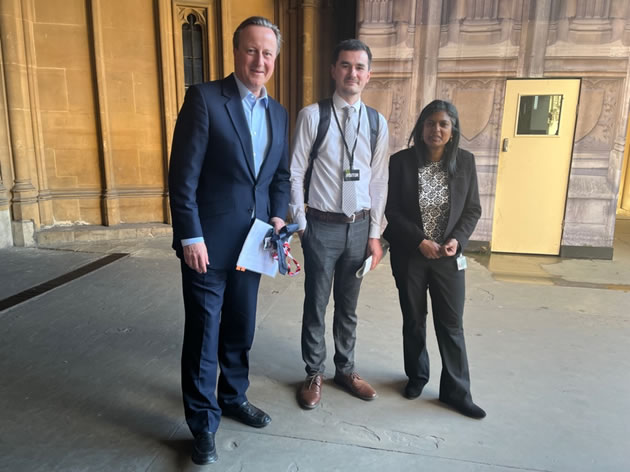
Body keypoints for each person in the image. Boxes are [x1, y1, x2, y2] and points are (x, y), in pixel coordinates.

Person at [168, 16, 290, 465]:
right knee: (205, 333)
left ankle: (233, 396)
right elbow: (183, 177)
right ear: (236, 52)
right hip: (207, 245)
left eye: (268, 54)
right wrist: (190, 236)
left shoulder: (278, 112)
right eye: (252, 50)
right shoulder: (204, 100)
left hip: (256, 243)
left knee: (241, 326)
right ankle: (202, 424)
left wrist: (278, 219)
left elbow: (279, 177)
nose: (260, 61)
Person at [289, 39, 389, 409]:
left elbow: (379, 181)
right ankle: (314, 372)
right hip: (321, 226)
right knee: (316, 303)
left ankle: (345, 369)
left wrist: (375, 234)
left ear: (368, 74)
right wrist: (301, 223)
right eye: (345, 65)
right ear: (333, 70)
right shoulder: (313, 116)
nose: (353, 73)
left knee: (349, 306)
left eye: (360, 67)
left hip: (360, 228)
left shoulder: (377, 122)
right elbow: (296, 170)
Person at [383, 99, 485, 419]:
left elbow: (472, 210)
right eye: (430, 123)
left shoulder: (465, 163)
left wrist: (458, 239)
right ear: (420, 128)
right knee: (414, 320)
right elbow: (392, 210)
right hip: (411, 256)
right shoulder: (400, 162)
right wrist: (419, 241)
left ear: (453, 131)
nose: (435, 130)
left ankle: (457, 391)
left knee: (451, 325)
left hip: (448, 259)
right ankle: (417, 376)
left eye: (443, 124)